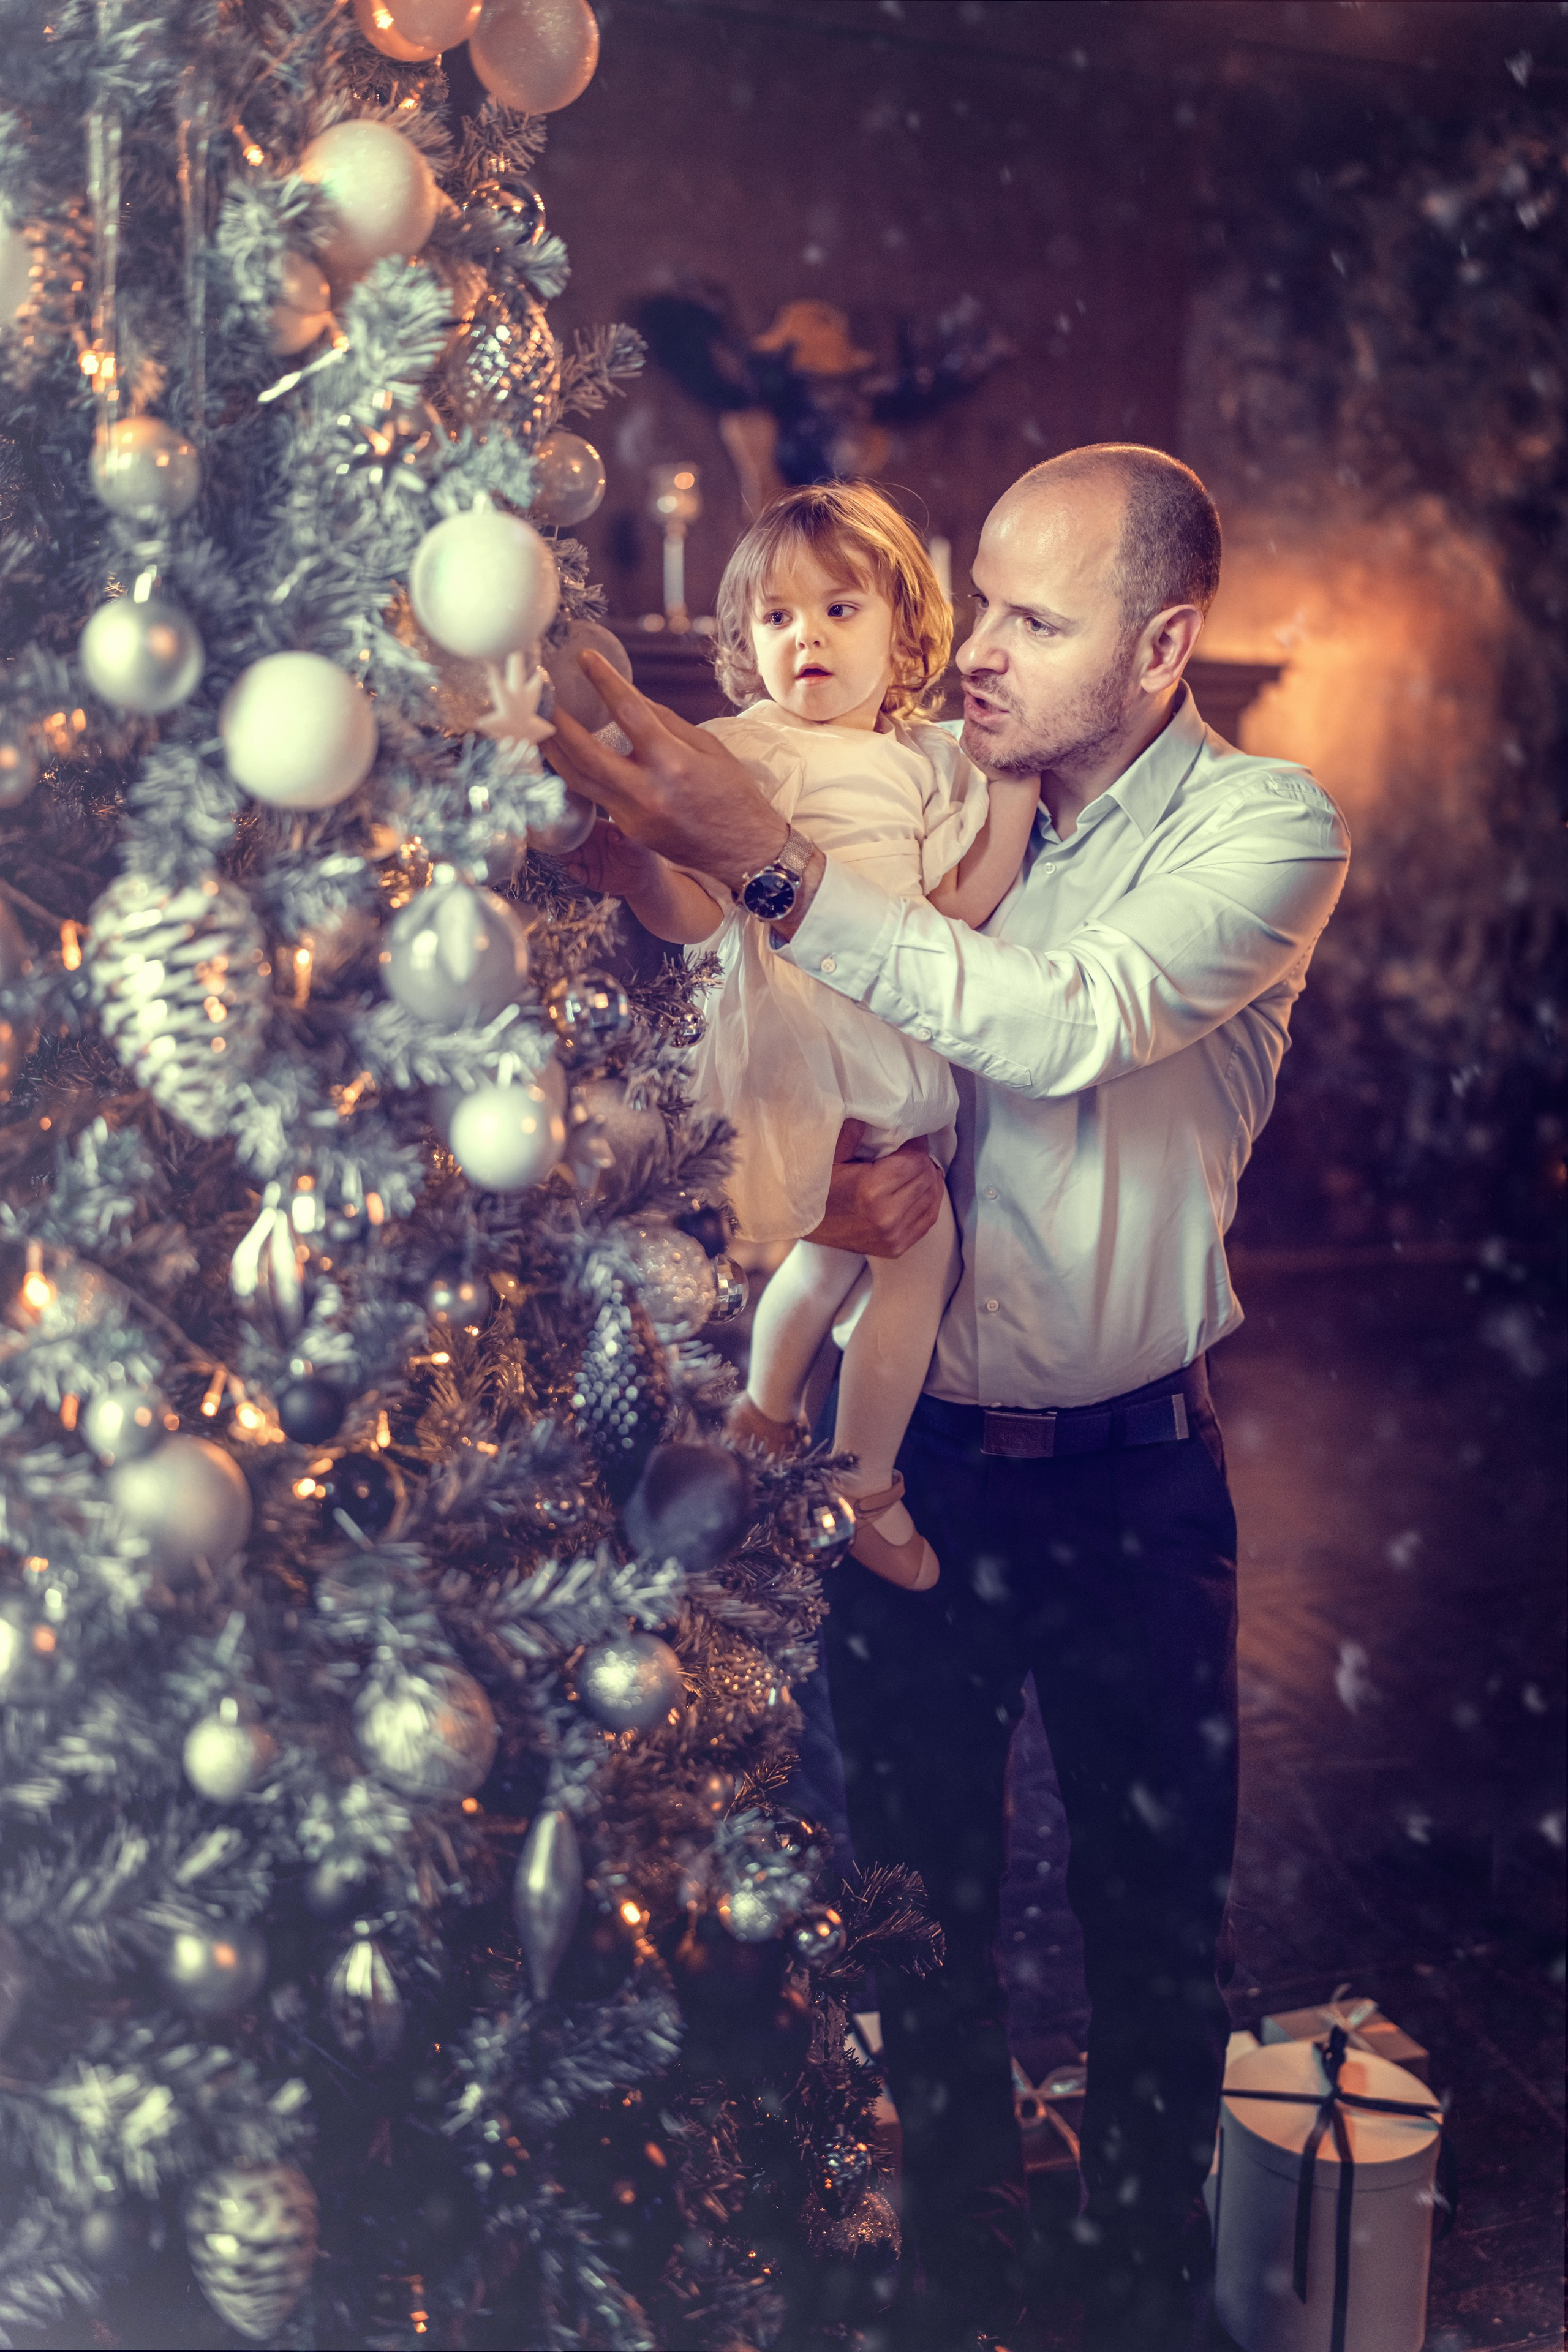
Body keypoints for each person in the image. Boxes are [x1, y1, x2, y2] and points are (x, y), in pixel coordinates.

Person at [545, 444, 1351, 2352]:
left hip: (1137, 1480)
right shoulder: (922, 785)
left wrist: (774, 860)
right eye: (979, 601)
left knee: (1155, 1920)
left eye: (1036, 621)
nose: (975, 646)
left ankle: (1140, 2283)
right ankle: (966, 2265)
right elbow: (775, 1045)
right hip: (904, 1474)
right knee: (921, 1908)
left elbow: (1055, 1027)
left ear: (1163, 648)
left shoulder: (1265, 830)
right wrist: (806, 1196)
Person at [563, 482, 1038, 1589]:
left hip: (886, 1021)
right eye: (776, 618)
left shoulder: (928, 763)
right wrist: (641, 876)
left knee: (838, 1254)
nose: (806, 638)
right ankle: (862, 1482)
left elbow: (956, 907)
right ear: (745, 642)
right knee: (918, 1248)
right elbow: (699, 913)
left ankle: (768, 1411)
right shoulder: (740, 751)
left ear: (904, 629)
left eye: (839, 610)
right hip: (798, 1039)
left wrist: (1011, 791)